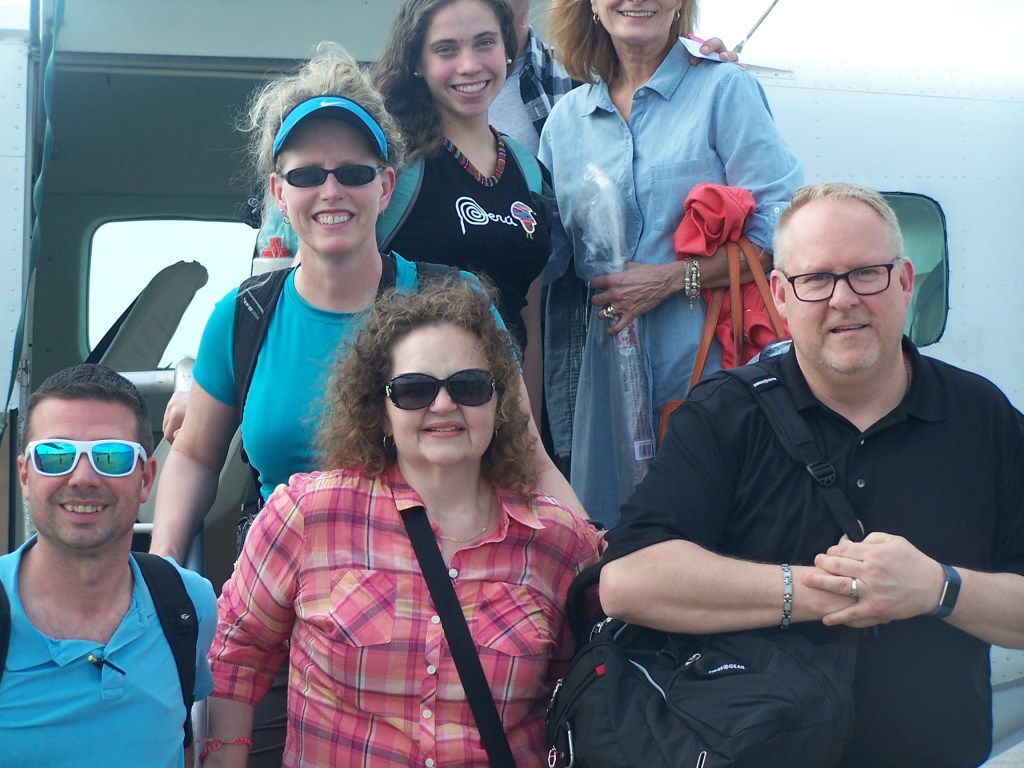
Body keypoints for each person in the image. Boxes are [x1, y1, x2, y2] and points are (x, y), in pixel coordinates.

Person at [150, 46, 582, 767]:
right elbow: (195, 454)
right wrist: (164, 569)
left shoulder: (452, 302)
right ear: (278, 191)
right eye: (306, 175)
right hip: (285, 593)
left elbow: (527, 458)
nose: (332, 191)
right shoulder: (245, 317)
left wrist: (590, 558)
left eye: (353, 172)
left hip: (440, 586)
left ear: (385, 185)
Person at [598, 182, 1024, 766]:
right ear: (780, 295)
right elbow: (628, 582)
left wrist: (937, 588)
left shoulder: (981, 416)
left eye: (866, 273)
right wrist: (825, 590)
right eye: (816, 279)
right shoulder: (726, 415)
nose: (843, 299)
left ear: (905, 281)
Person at [201, 280, 602, 767]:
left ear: (499, 405)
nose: (443, 405)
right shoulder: (306, 514)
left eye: (469, 386)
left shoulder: (561, 541)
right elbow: (235, 654)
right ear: (381, 412)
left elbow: (583, 692)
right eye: (414, 390)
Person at [539, 0, 802, 525]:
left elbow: (785, 230)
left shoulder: (724, 90)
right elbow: (543, 260)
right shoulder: (565, 122)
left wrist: (672, 278)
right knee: (618, 536)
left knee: (718, 527)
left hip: (713, 369)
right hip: (607, 384)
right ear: (592, 6)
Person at [0, 364, 216, 768]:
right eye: (55, 456)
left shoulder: (187, 603)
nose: (82, 478)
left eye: (112, 457)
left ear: (146, 479)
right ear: (25, 477)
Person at [374, 0, 552, 426]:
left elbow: (528, 315)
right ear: (417, 62)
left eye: (485, 43)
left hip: (499, 421)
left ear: (508, 49)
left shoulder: (528, 169)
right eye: (446, 49)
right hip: (412, 415)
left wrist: (528, 440)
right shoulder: (392, 164)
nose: (469, 65)